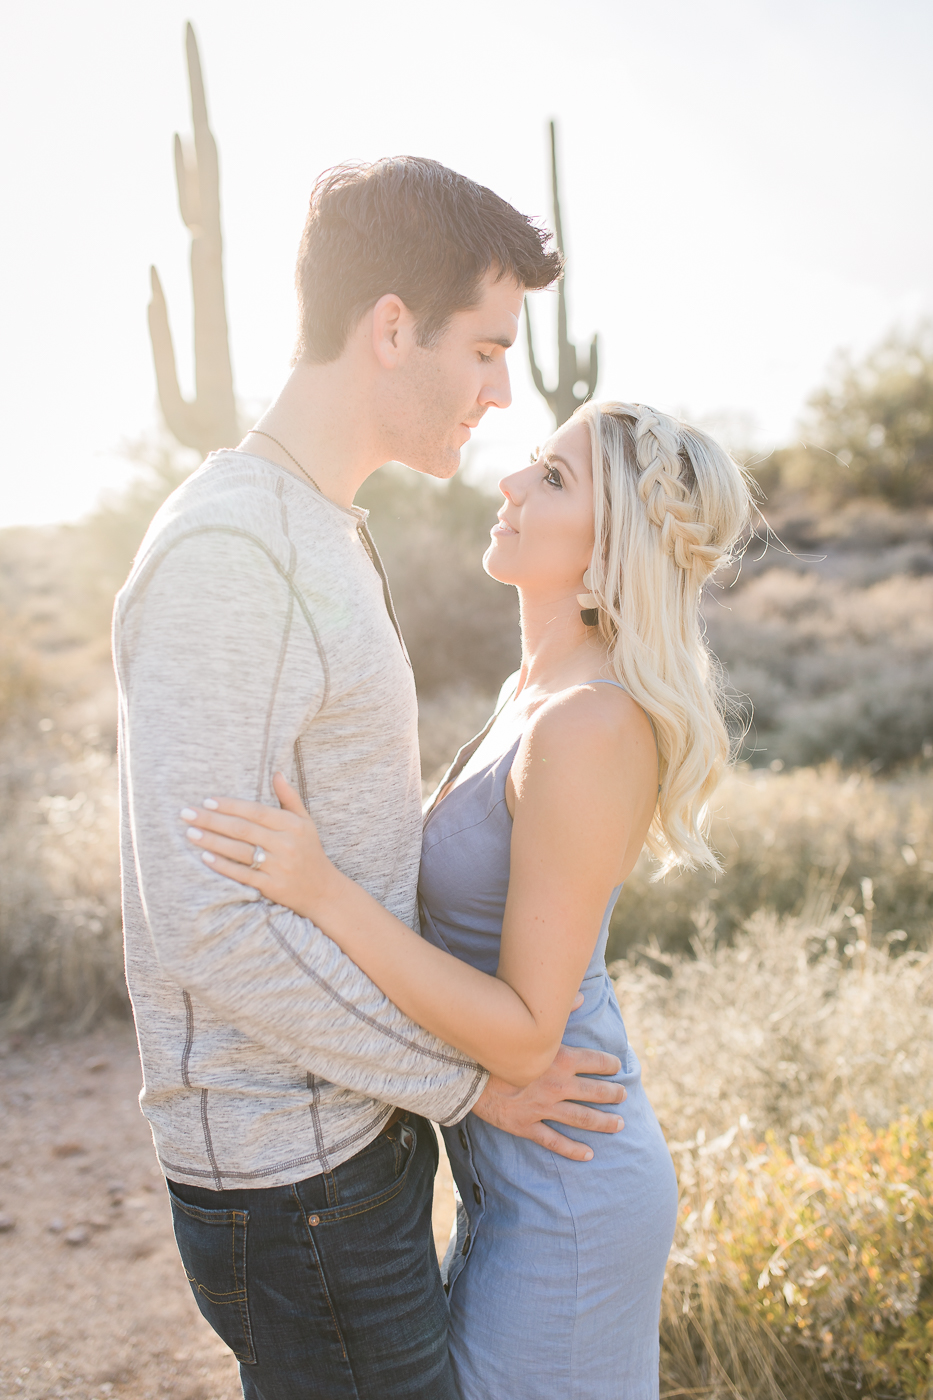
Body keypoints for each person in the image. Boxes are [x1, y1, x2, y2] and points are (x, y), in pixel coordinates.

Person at [114, 157, 632, 1400]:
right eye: (486, 349)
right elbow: (206, 917)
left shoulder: (321, 527)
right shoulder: (232, 551)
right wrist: (468, 1080)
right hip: (295, 1178)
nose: (502, 393)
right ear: (391, 328)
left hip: (350, 1138)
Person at [183, 399, 754, 1398]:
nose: (510, 484)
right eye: (535, 462)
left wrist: (320, 889)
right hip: (516, 1171)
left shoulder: (588, 725)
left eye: (555, 478)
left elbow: (531, 1035)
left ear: (610, 548)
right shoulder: (528, 694)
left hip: (569, 1184)